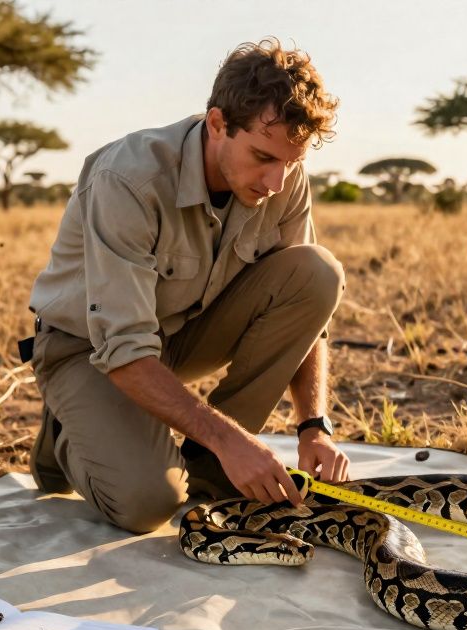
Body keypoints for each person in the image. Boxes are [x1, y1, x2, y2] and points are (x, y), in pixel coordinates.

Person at [26, 38, 350, 535]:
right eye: (263, 157)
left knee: (318, 270)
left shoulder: (284, 177)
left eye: (292, 161)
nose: (276, 183)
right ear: (217, 123)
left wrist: (314, 427)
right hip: (91, 348)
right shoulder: (129, 179)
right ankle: (65, 432)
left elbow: (309, 314)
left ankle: (209, 464)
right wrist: (231, 438)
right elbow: (126, 348)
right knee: (146, 504)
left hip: (183, 336)